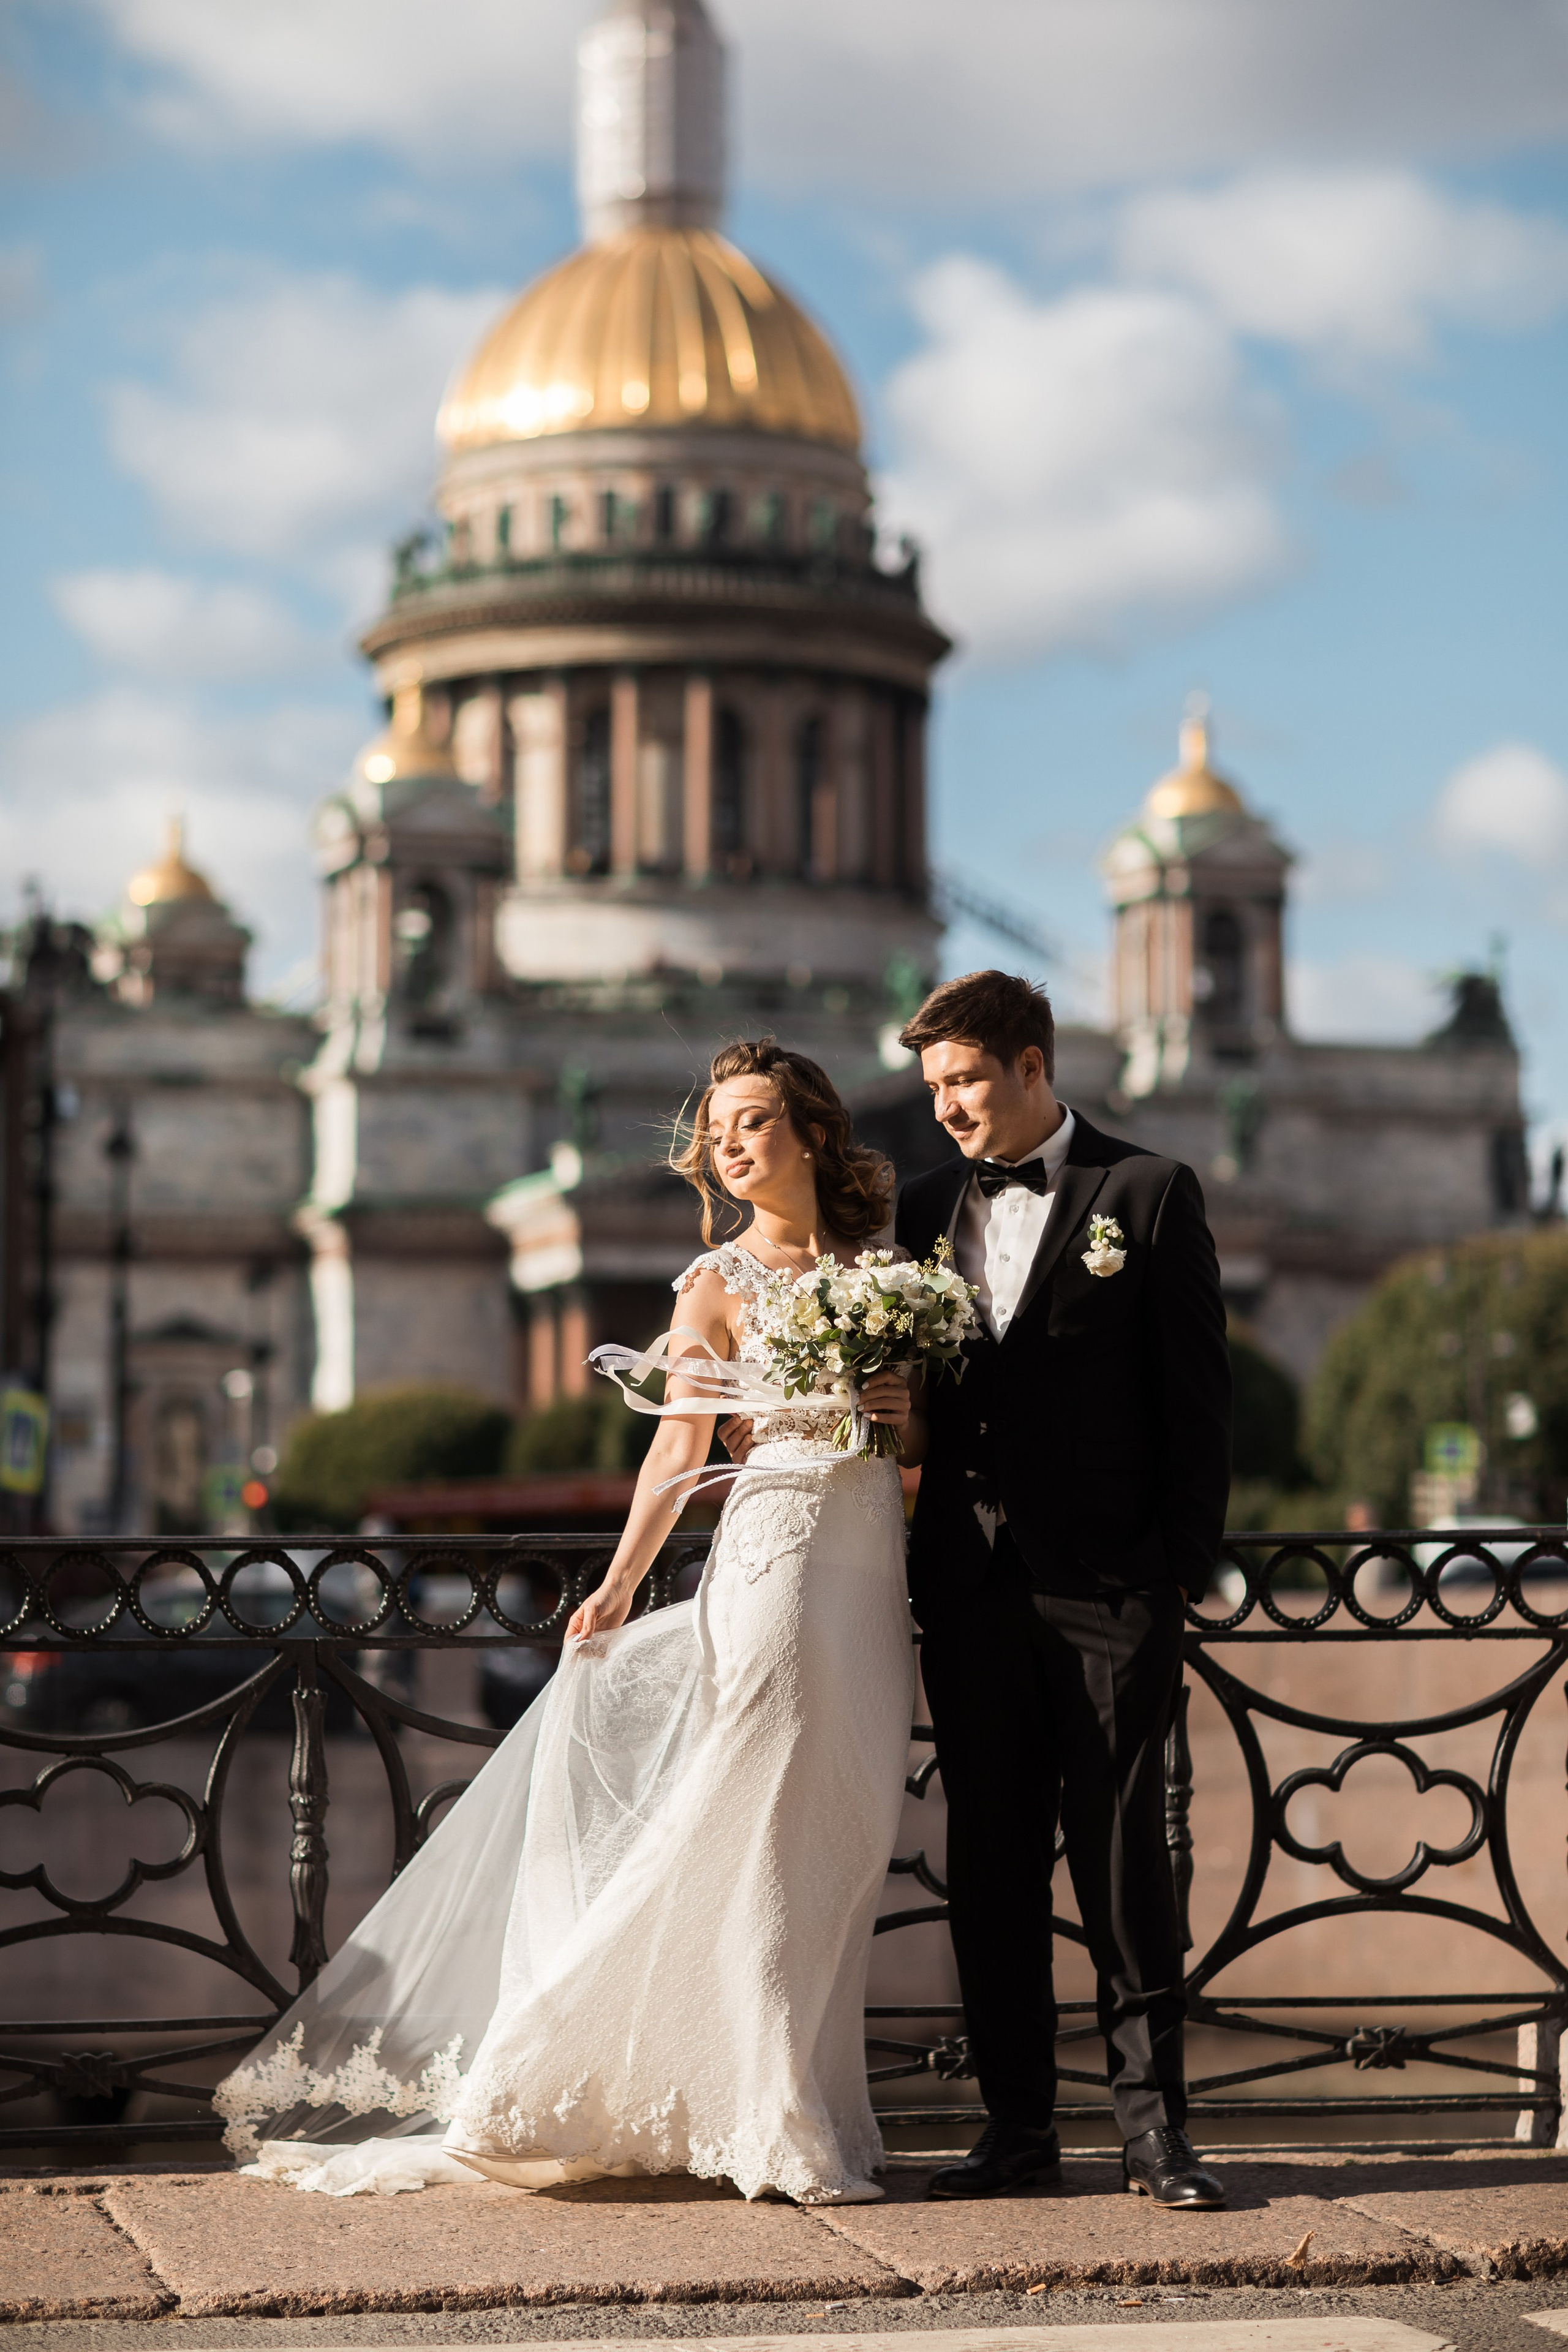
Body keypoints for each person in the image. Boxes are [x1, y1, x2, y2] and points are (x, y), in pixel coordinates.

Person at [214, 1041, 917, 2203]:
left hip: (870, 1568)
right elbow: (677, 1451)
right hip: (781, 1564)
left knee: (842, 1834)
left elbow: (915, 1439)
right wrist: (623, 1581)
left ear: (814, 1132)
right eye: (716, 1132)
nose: (729, 1147)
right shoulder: (716, 1283)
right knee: (762, 1830)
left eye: (751, 1122)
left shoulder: (884, 1271)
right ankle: (762, 2118)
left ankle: (805, 2097)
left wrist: (901, 1410)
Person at [891, 970, 1231, 2208]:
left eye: (966, 1080)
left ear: (1032, 1065)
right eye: (934, 1087)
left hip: (1109, 1592)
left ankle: (1154, 2133)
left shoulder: (1147, 1192)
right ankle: (1015, 2130)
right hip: (969, 1589)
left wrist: (1171, 1576)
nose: (946, 1108)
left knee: (1124, 1863)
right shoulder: (920, 1211)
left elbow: (1197, 1402)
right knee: (989, 1866)